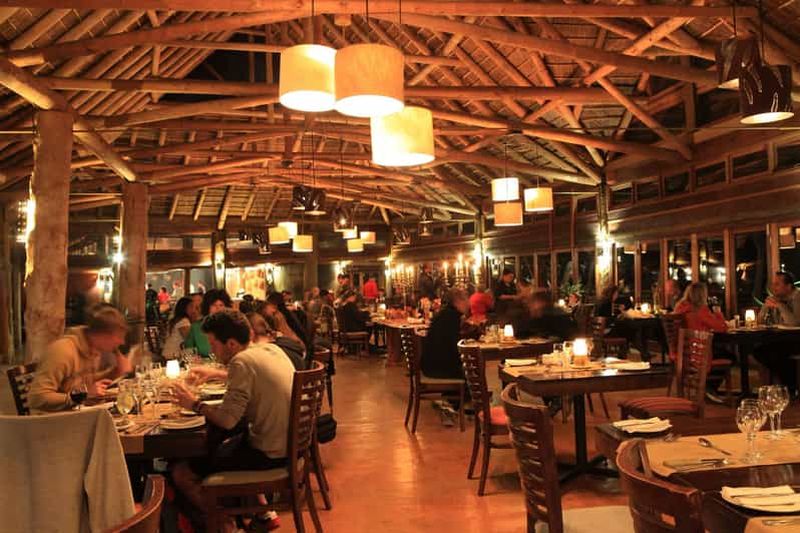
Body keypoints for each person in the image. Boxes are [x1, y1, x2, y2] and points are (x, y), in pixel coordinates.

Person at [170, 310, 294, 529]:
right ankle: (264, 513)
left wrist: (194, 404)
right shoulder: (271, 349)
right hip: (290, 446)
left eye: (213, 344)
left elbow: (227, 420)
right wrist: (215, 373)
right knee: (224, 445)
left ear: (232, 344)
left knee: (181, 473)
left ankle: (225, 525)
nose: (211, 350)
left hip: (269, 454)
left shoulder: (241, 362)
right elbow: (255, 376)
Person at [28, 304, 133, 412]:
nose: (122, 342)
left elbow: (84, 383)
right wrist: (82, 395)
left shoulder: (92, 349)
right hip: (52, 418)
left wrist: (115, 372)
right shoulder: (63, 351)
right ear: (103, 335)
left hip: (77, 412)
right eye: (119, 336)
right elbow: (36, 398)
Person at [673, 282, 729, 403]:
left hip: (683, 354)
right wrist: (718, 312)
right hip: (699, 354)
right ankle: (708, 387)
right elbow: (722, 327)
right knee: (730, 356)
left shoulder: (680, 308)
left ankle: (706, 388)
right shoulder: (700, 310)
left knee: (721, 352)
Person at [755, 272, 800, 394]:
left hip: (796, 339)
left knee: (774, 353)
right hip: (781, 339)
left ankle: (788, 388)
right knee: (760, 352)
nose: (773, 288)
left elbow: (794, 323)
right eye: (773, 284)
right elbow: (759, 321)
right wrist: (766, 306)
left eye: (777, 284)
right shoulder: (777, 297)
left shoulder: (797, 297)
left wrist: (779, 305)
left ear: (788, 286)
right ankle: (784, 387)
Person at [421, 289, 469, 380]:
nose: (468, 304)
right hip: (439, 369)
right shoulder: (452, 317)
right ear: (458, 301)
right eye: (466, 300)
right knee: (472, 370)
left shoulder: (445, 313)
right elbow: (454, 347)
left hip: (430, 366)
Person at [183, 288, 232, 357]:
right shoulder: (196, 327)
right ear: (207, 307)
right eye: (214, 305)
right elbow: (188, 351)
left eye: (221, 305)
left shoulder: (231, 326)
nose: (218, 308)